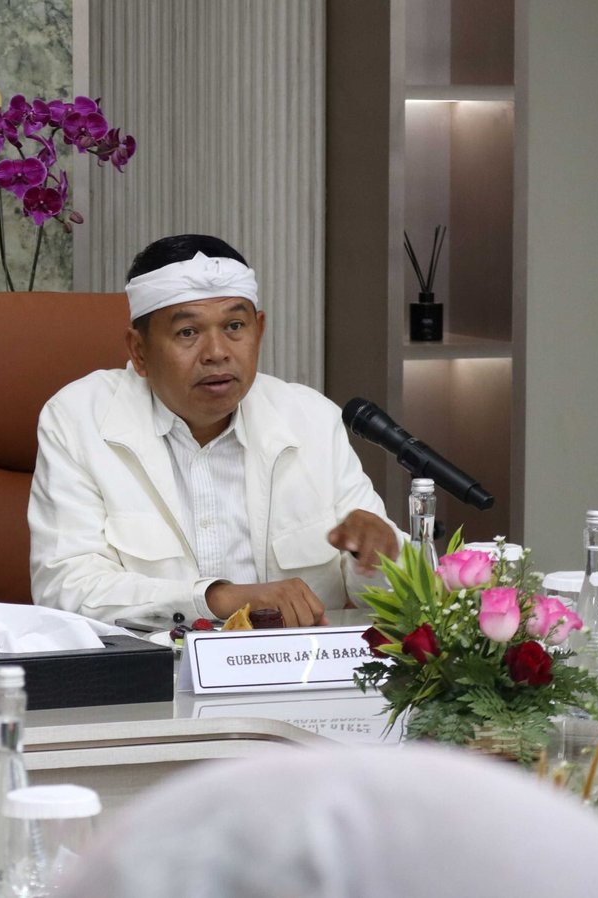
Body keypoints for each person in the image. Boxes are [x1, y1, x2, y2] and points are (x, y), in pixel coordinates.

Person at [29, 234, 399, 628]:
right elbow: (65, 587)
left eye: (234, 326)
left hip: (298, 662)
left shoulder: (312, 420)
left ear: (259, 330)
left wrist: (378, 560)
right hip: (154, 662)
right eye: (188, 332)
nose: (217, 352)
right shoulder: (78, 420)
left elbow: (389, 599)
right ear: (139, 351)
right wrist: (217, 599)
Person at [56, 744, 598, 898]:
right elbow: (73, 582)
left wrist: (373, 560)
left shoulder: (314, 440)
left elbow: (369, 585)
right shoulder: (84, 434)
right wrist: (217, 595)